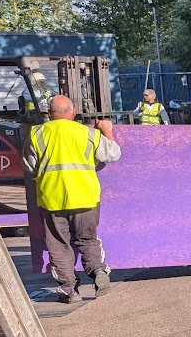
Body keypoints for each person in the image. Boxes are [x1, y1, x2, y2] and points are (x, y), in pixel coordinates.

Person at [21, 95, 121, 303]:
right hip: (85, 197)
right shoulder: (88, 133)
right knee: (88, 240)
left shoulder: (37, 134)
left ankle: (69, 290)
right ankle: (98, 272)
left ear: (49, 114)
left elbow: (30, 166)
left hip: (52, 199)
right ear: (73, 112)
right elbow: (113, 154)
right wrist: (107, 130)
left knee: (58, 245)